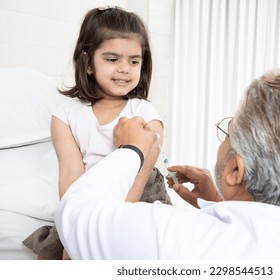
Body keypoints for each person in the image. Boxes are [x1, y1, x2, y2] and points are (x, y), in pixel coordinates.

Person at [55, 69, 280, 259]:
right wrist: (221, 201)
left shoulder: (174, 243)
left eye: (228, 132)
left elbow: (75, 211)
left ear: (235, 171)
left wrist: (133, 150)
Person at [22, 6, 171, 260]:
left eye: (134, 61)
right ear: (88, 62)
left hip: (138, 194)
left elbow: (139, 176)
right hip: (92, 195)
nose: (125, 68)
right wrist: (75, 234)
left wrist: (107, 229)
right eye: (112, 59)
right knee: (57, 253)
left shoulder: (146, 113)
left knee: (137, 245)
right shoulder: (65, 116)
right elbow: (70, 178)